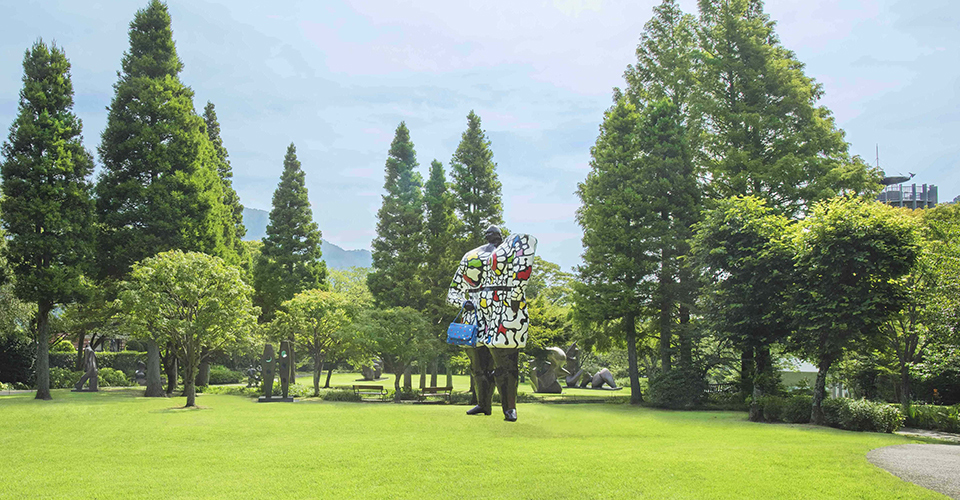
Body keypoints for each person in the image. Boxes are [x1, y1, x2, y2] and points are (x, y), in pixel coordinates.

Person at [448, 225, 537, 422]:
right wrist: (464, 302)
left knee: (505, 362)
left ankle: (509, 408)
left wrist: (515, 296)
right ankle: (483, 403)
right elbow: (452, 292)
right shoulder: (471, 256)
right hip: (476, 315)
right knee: (478, 364)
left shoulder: (508, 253)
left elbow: (523, 269)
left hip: (503, 312)